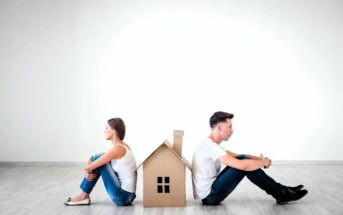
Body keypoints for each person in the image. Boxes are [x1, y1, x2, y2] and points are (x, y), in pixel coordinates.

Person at [192, 111, 308, 205]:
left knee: (243, 159)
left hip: (211, 191)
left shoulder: (211, 145)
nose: (232, 131)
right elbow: (242, 165)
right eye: (229, 127)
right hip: (210, 196)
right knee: (243, 165)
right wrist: (262, 163)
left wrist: (260, 160)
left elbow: (240, 156)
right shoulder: (211, 147)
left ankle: (283, 191)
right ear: (219, 128)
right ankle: (282, 193)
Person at [64, 117, 137, 206]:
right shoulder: (123, 146)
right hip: (129, 196)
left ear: (114, 131)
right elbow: (101, 158)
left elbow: (94, 163)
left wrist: (87, 170)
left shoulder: (118, 149)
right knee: (100, 157)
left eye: (107, 128)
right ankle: (84, 196)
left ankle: (83, 196)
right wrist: (91, 161)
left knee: (99, 158)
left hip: (122, 197)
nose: (104, 131)